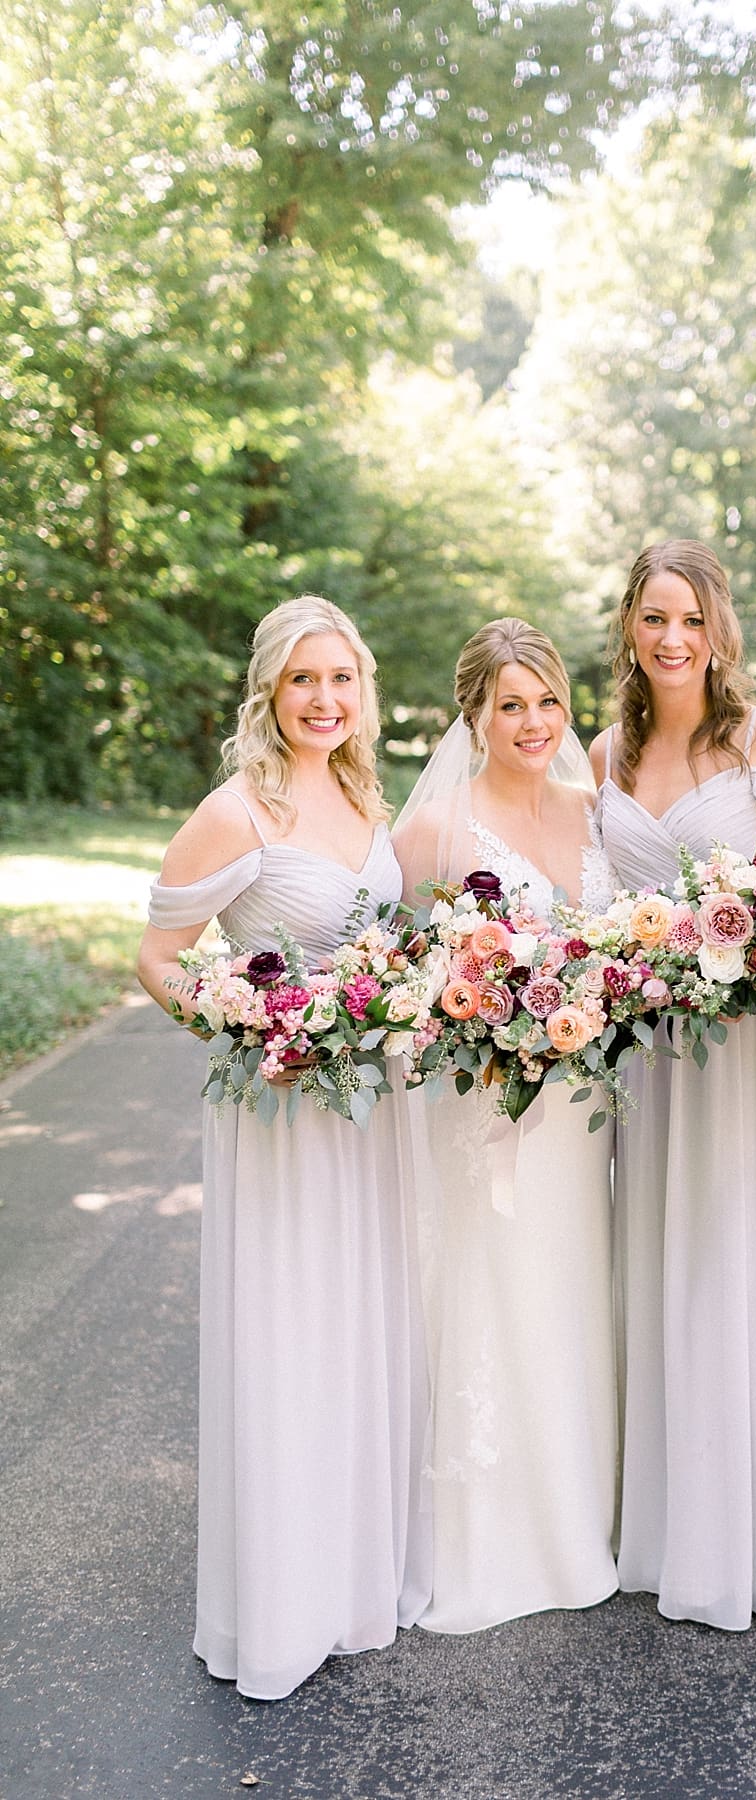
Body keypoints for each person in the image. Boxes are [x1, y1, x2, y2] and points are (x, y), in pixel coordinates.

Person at [137, 596, 430, 1699]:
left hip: (369, 1111)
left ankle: (354, 1577)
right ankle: (280, 1605)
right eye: (304, 681)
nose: (324, 700)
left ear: (362, 692)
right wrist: (249, 1027)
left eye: (341, 680)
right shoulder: (234, 813)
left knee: (360, 1325)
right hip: (282, 1110)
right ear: (270, 690)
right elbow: (160, 959)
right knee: (291, 1333)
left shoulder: (362, 794)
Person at [590, 540, 756, 1630]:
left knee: (746, 1256)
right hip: (656, 1062)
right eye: (654, 618)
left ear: (720, 631)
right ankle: (673, 1525)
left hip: (751, 1055)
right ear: (628, 627)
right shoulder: (606, 754)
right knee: (670, 1258)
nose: (672, 639)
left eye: (692, 620)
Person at [394, 617, 619, 1634]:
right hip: (483, 1109)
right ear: (474, 716)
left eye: (546, 702)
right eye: (509, 704)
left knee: (574, 1284)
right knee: (495, 1287)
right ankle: (495, 1530)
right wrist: (473, 1009)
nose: (532, 722)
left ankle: (585, 1507)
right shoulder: (434, 831)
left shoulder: (597, 809)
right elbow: (395, 979)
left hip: (584, 1108)